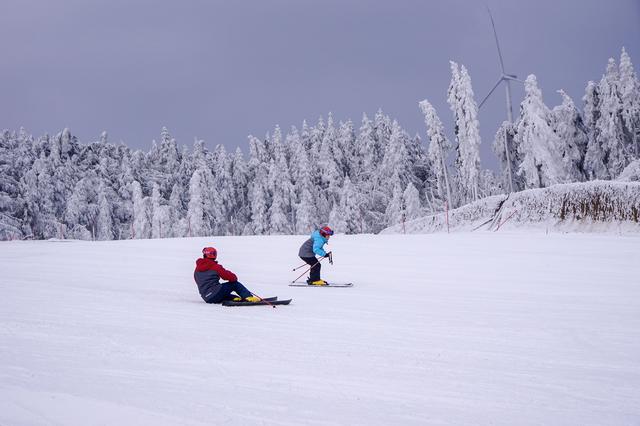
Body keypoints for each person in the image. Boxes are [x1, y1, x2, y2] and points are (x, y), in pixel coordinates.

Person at [193, 246, 260, 303]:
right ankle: (248, 297)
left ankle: (233, 298)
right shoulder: (215, 266)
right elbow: (230, 277)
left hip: (207, 298)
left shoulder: (197, 269)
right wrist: (233, 278)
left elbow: (198, 281)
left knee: (223, 292)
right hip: (215, 294)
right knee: (235, 284)